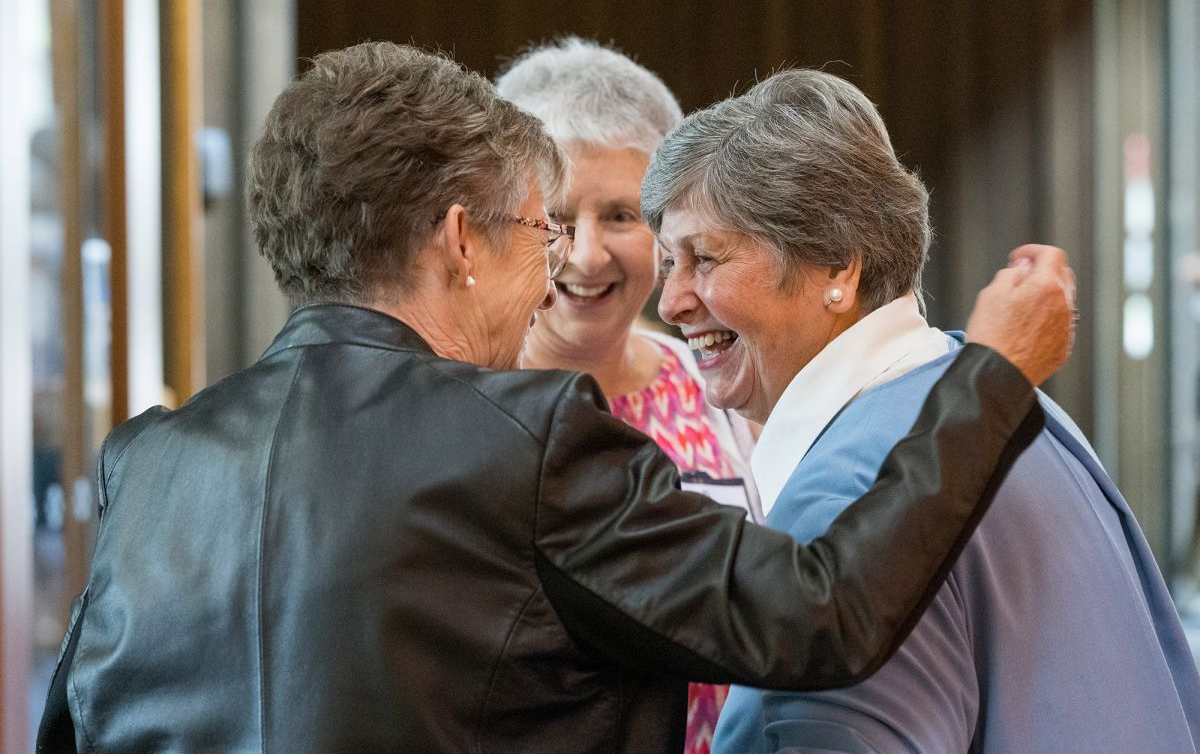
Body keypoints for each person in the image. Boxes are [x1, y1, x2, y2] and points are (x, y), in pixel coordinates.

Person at [38, 43, 1073, 754]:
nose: (557, 270)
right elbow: (821, 611)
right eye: (537, 232)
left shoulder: (147, 463)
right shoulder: (525, 444)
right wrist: (992, 374)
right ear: (457, 239)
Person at [637, 68, 1200, 754]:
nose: (670, 304)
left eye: (705, 258)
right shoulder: (1030, 416)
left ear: (839, 267)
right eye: (669, 262)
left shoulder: (847, 506)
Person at [496, 38, 756, 754]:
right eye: (553, 216)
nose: (584, 255)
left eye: (619, 215)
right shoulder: (456, 404)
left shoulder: (726, 391)